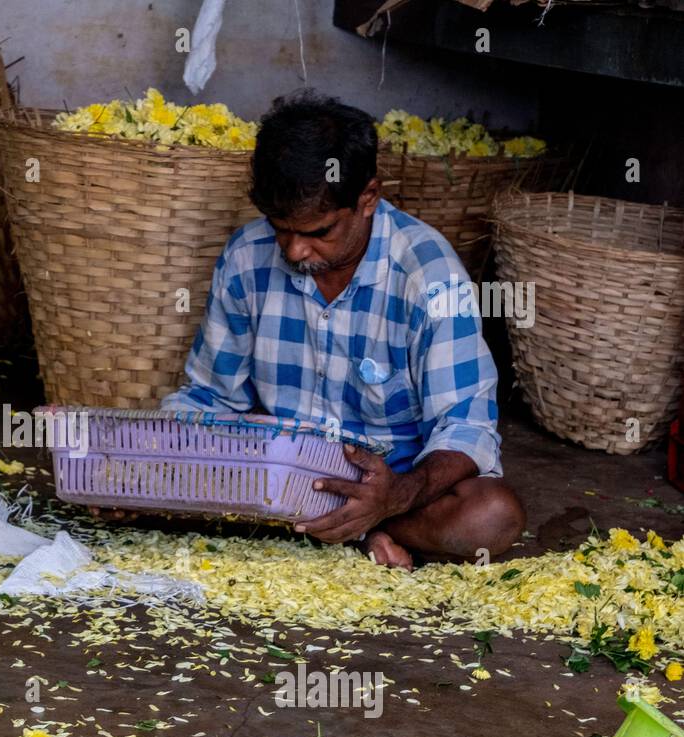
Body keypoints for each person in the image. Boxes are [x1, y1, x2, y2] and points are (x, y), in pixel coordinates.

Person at [159, 91, 525, 569]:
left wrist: (395, 496)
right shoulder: (247, 256)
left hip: (393, 484)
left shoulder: (428, 273)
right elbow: (209, 397)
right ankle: (350, 531)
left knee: (490, 515)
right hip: (275, 476)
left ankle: (356, 524)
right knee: (168, 474)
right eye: (280, 228)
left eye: (318, 232)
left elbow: (466, 426)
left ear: (367, 198)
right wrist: (145, 460)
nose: (293, 252)